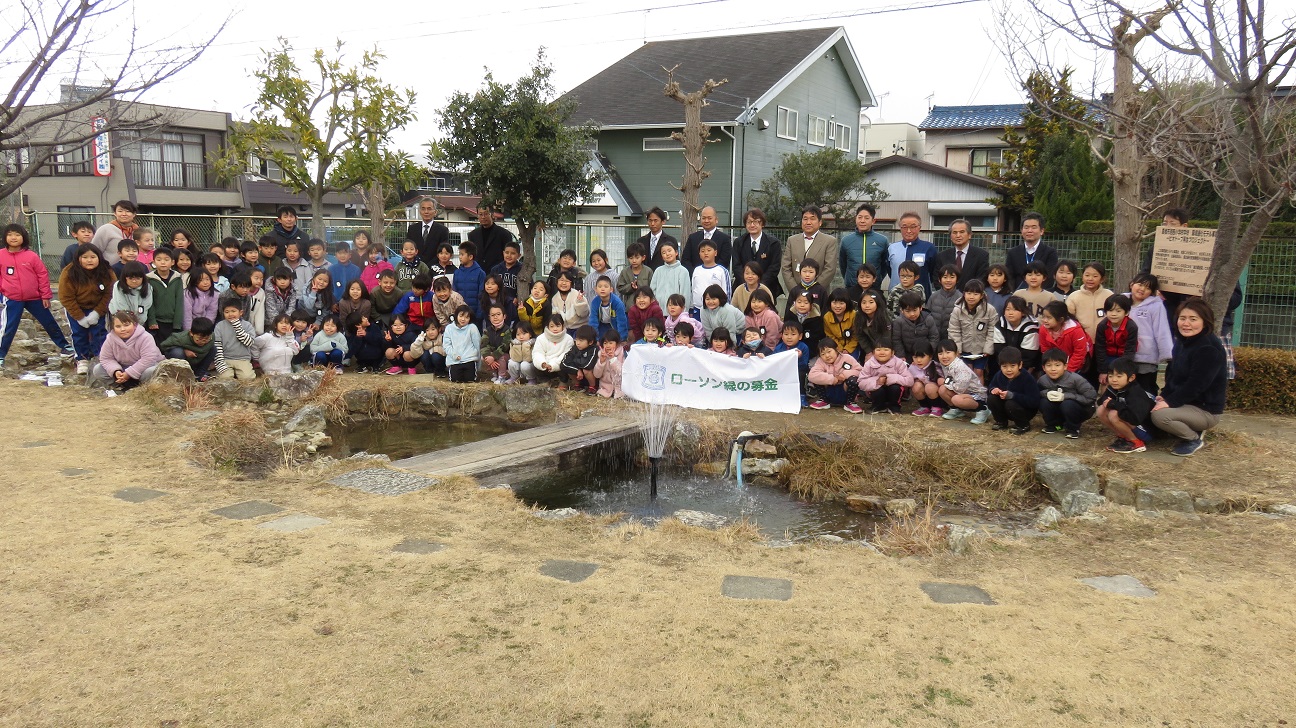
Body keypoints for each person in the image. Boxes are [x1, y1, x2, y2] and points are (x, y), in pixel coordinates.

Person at [1151, 298, 1228, 456]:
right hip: (1185, 404)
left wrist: (1170, 402)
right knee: (1149, 405)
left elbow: (1196, 385)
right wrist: (1164, 396)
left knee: (1159, 416)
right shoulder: (1182, 342)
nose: (1186, 323)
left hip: (1205, 410)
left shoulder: (1208, 348)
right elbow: (1172, 373)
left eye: (1193, 319)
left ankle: (1193, 438)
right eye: (1182, 318)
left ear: (1205, 322)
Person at [58, 243, 115, 373]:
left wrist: (97, 312)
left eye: (93, 257)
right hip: (76, 307)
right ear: (78, 258)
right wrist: (80, 317)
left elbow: (110, 293)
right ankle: (82, 359)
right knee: (78, 333)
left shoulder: (106, 271)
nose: (89, 260)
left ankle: (101, 357)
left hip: (98, 307)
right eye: (85, 257)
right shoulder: (69, 272)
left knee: (100, 333)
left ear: (99, 258)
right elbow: (65, 297)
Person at [89, 310, 164, 389]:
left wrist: (129, 373)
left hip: (145, 369)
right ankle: (121, 387)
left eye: (126, 325)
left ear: (134, 325)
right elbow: (106, 358)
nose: (122, 329)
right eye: (118, 326)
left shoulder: (146, 337)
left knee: (152, 371)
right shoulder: (110, 339)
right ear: (113, 328)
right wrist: (116, 371)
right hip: (123, 370)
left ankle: (143, 388)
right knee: (98, 370)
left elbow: (149, 359)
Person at [1096, 356, 1156, 453]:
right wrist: (1109, 396)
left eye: (1119, 376)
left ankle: (1136, 443)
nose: (1114, 380)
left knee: (1114, 414)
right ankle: (1123, 437)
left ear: (1131, 377)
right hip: (1132, 423)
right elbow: (1102, 402)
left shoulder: (1135, 392)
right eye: (1111, 376)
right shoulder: (1114, 388)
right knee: (1101, 409)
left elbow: (1134, 418)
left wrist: (1115, 404)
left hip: (1146, 430)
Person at [1128, 273, 1175, 395]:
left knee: (1146, 387)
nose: (1142, 289)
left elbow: (1162, 330)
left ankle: (1148, 411)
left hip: (1146, 356)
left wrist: (1167, 354)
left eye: (1148, 288)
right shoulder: (1122, 301)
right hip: (1125, 354)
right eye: (1140, 284)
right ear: (1131, 284)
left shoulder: (1156, 306)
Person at [1037, 348, 1097, 437]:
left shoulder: (1076, 379)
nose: (1053, 369)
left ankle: (1073, 429)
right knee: (1043, 402)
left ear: (1065, 366)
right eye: (1049, 365)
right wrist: (1047, 393)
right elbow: (1036, 393)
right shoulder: (1042, 380)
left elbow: (1091, 397)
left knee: (1068, 404)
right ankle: (1055, 426)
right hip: (1058, 408)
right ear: (1043, 368)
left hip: (1080, 409)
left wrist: (1065, 396)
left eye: (1057, 365)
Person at [780, 206, 839, 293]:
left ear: (820, 222)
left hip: (819, 294)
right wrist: (795, 290)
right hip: (796, 295)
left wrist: (813, 290)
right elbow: (785, 267)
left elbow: (829, 269)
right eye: (805, 219)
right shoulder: (792, 240)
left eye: (812, 219)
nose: (808, 222)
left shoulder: (829, 241)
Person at [948, 279, 997, 378]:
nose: (971, 297)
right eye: (969, 293)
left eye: (975, 294)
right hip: (964, 350)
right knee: (967, 372)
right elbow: (954, 331)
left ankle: (980, 393)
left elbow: (992, 330)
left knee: (979, 372)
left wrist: (987, 349)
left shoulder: (989, 309)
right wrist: (957, 349)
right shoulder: (957, 310)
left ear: (981, 295)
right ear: (964, 294)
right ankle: (969, 394)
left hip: (981, 351)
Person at [985, 346, 1039, 434]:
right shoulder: (999, 375)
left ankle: (1023, 425)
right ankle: (1001, 422)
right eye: (1004, 366)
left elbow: (1034, 401)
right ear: (1000, 366)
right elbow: (991, 386)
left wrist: (1013, 396)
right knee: (992, 398)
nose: (1008, 370)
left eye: (1013, 366)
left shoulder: (1027, 378)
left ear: (1020, 365)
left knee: (1010, 403)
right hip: (1006, 408)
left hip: (1024, 410)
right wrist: (993, 390)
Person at [936, 338, 990, 424]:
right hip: (962, 392)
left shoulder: (960, 366)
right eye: (940, 353)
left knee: (956, 399)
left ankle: (982, 409)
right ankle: (956, 410)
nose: (944, 356)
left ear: (956, 353)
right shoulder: (945, 365)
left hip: (975, 394)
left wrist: (945, 382)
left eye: (948, 352)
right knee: (942, 390)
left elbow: (960, 388)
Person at [731, 207, 782, 296]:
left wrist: (759, 285)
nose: (752, 225)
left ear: (762, 224)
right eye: (749, 222)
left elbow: (774, 267)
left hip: (767, 288)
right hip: (742, 288)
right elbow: (736, 266)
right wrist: (747, 284)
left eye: (756, 222)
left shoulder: (773, 243)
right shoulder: (739, 242)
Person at [839, 203, 889, 292]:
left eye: (866, 218)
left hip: (874, 288)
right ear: (856, 219)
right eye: (859, 217)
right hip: (851, 287)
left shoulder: (882, 240)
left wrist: (877, 279)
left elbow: (884, 266)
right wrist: (850, 279)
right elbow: (843, 265)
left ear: (873, 221)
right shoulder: (846, 240)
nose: (862, 221)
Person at [884, 211, 939, 292]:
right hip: (896, 297)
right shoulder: (892, 248)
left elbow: (933, 273)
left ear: (919, 228)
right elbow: (890, 270)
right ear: (900, 228)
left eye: (913, 227)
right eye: (904, 227)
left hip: (920, 297)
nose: (909, 231)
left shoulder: (928, 248)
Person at [858, 337, 914, 414]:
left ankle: (894, 407)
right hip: (876, 391)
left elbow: (910, 380)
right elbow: (861, 382)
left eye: (886, 350)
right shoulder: (869, 364)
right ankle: (878, 406)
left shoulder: (898, 363)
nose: (882, 352)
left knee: (895, 387)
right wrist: (877, 381)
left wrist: (891, 378)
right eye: (878, 350)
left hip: (894, 390)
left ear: (892, 352)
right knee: (877, 390)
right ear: (873, 352)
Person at [1005, 212, 1059, 290]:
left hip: (1041, 296)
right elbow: (1009, 277)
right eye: (1026, 227)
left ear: (1042, 231)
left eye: (1034, 227)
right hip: (1017, 296)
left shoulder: (1050, 253)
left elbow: (1049, 278)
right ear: (1021, 230)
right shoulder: (1013, 253)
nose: (1029, 230)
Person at [807, 339, 862, 412]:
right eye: (823, 354)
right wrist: (832, 379)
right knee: (817, 378)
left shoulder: (847, 358)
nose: (827, 356)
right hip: (829, 391)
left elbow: (861, 371)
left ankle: (850, 403)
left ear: (837, 349)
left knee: (853, 380)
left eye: (829, 351)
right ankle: (824, 401)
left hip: (844, 391)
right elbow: (811, 375)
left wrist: (845, 375)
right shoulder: (820, 361)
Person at [1094, 294, 1138, 385]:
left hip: (1124, 357)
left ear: (1126, 312)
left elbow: (1130, 350)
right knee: (1106, 383)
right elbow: (1100, 349)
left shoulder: (1131, 327)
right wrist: (1103, 371)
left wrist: (1123, 370)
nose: (1114, 314)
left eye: (1118, 311)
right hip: (1108, 356)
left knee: (1122, 381)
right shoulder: (1102, 326)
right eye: (1110, 310)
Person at [935, 218, 990, 290]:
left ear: (969, 235)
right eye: (954, 232)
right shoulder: (942, 256)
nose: (958, 235)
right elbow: (936, 279)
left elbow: (982, 278)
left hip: (971, 297)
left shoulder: (981, 255)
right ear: (950, 236)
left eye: (962, 232)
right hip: (947, 298)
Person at [1037, 301, 1092, 374]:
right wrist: (1052, 367)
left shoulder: (1075, 330)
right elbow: (1045, 349)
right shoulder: (1043, 329)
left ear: (1061, 319)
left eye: (1049, 318)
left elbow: (1079, 353)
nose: (1044, 320)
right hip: (1055, 365)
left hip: (1075, 366)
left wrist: (1067, 370)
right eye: (1043, 316)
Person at [145, 247, 184, 346]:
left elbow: (179, 301)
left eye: (166, 260)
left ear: (172, 262)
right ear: (153, 262)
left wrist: (177, 323)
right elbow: (149, 302)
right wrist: (152, 321)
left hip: (172, 322)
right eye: (159, 259)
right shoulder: (149, 279)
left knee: (174, 349)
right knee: (157, 348)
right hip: (157, 323)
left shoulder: (177, 278)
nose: (163, 262)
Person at [993, 295, 1041, 376]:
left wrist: (1016, 369)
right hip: (1003, 364)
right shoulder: (999, 325)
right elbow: (999, 350)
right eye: (1007, 309)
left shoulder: (1031, 328)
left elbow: (1029, 355)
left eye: (1015, 310)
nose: (1010, 313)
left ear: (1023, 312)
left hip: (1025, 365)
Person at [1066, 262, 1114, 341]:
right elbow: (1069, 319)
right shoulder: (1074, 296)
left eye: (1095, 276)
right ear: (1082, 277)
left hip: (1105, 339)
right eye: (1087, 275)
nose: (1090, 279)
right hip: (1082, 339)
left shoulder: (1109, 295)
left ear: (1102, 279)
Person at [161, 316, 217, 381]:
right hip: (183, 360)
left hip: (197, 361)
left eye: (206, 339)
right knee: (178, 352)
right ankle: (182, 376)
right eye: (200, 339)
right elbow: (164, 346)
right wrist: (184, 351)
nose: (203, 342)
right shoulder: (181, 338)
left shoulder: (212, 337)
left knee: (213, 349)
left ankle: (199, 374)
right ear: (191, 333)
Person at [212, 300, 256, 380]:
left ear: (241, 312)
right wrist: (220, 362)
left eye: (233, 311)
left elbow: (249, 342)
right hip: (226, 358)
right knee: (225, 378)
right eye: (227, 312)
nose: (230, 314)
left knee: (248, 378)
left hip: (243, 358)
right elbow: (217, 345)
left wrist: (238, 328)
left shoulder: (247, 325)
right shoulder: (220, 326)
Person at [890, 291, 939, 361]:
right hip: (908, 355)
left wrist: (928, 353)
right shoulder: (898, 322)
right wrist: (901, 355)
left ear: (920, 308)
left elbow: (934, 337)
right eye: (908, 311)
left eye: (915, 310)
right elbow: (896, 340)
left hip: (926, 355)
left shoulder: (928, 319)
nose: (912, 314)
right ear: (901, 310)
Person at [681, 206, 732, 272]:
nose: (706, 221)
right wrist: (695, 273)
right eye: (704, 218)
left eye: (709, 218)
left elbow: (724, 261)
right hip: (695, 277)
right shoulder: (692, 237)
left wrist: (709, 274)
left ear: (716, 220)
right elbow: (685, 260)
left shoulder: (725, 239)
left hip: (715, 278)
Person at [773, 320, 810, 407]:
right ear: (781, 336)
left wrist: (799, 357)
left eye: (793, 334)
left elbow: (804, 365)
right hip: (783, 371)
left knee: (801, 375)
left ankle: (802, 395)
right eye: (786, 334)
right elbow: (773, 362)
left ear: (800, 336)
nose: (789, 337)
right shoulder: (779, 348)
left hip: (798, 370)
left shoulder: (803, 347)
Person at [468, 205, 514, 274]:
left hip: (498, 273)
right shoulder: (473, 235)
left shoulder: (504, 234)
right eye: (480, 214)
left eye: (486, 214)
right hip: (478, 273)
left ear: (492, 215)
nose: (483, 217)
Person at [90, 200, 139, 265]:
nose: (124, 214)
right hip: (109, 270)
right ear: (115, 213)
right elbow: (94, 251)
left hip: (134, 271)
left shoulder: (138, 231)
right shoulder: (105, 229)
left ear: (134, 214)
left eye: (128, 211)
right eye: (120, 211)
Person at [443, 305, 481, 382]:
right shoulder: (449, 328)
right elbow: (446, 345)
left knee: (469, 380)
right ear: (456, 315)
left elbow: (478, 345)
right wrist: (454, 355)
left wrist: (478, 362)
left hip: (469, 359)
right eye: (461, 316)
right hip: (455, 360)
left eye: (467, 317)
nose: (463, 319)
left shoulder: (472, 328)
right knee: (456, 380)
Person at [532, 314, 574, 383]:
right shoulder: (541, 338)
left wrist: (553, 365)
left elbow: (566, 355)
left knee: (565, 364)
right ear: (548, 327)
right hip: (545, 366)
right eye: (552, 326)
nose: (555, 329)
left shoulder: (568, 339)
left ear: (563, 326)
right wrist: (543, 363)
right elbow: (537, 353)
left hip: (559, 366)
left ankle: (563, 382)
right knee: (535, 365)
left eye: (558, 326)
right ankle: (544, 382)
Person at [407, 197, 450, 263]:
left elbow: (443, 251)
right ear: (420, 211)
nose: (426, 212)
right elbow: (408, 248)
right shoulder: (412, 229)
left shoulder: (442, 230)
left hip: (435, 267)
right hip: (415, 267)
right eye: (423, 209)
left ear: (435, 212)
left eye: (429, 209)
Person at [690, 239, 732, 308]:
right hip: (698, 309)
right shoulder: (696, 270)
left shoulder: (722, 270)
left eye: (709, 250)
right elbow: (693, 289)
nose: (706, 253)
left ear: (715, 253)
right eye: (702, 251)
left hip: (717, 309)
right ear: (699, 254)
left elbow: (727, 293)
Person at [650, 241, 691, 310]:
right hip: (659, 311)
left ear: (676, 252)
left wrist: (684, 311)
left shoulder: (683, 271)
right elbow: (652, 290)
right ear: (662, 257)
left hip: (676, 311)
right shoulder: (658, 271)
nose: (667, 254)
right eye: (664, 252)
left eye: (669, 251)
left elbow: (685, 293)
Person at [925, 265, 962, 340]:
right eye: (945, 277)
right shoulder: (934, 296)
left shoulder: (960, 298)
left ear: (957, 279)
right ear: (939, 280)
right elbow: (926, 315)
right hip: (933, 337)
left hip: (952, 338)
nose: (948, 280)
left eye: (952, 277)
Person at [907, 342, 944, 417]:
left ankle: (937, 407)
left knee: (929, 387)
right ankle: (924, 407)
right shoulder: (912, 368)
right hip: (924, 395)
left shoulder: (935, 367)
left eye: (922, 357)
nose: (918, 360)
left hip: (936, 396)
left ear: (930, 356)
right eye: (915, 357)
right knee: (916, 386)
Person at [479, 303, 513, 384]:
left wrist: (493, 356)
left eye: (498, 314)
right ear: (489, 317)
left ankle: (502, 376)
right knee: (483, 358)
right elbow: (483, 345)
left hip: (505, 355)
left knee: (501, 357)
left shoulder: (508, 330)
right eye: (493, 315)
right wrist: (488, 356)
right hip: (492, 354)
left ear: (504, 316)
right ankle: (495, 374)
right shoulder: (487, 330)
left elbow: (505, 346)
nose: (495, 317)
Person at [451, 241, 486, 318]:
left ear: (470, 257)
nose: (460, 257)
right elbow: (454, 293)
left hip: (475, 313)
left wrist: (479, 314)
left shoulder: (480, 273)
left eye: (462, 254)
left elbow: (482, 295)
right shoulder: (457, 273)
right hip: (460, 314)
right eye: (459, 254)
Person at [561, 324, 599, 393]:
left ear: (590, 342)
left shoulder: (594, 349)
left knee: (586, 370)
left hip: (592, 377)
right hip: (579, 375)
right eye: (576, 339)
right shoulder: (575, 347)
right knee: (569, 368)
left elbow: (588, 365)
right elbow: (564, 362)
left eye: (581, 340)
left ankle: (593, 387)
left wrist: (575, 364)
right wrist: (577, 370)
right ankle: (578, 385)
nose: (577, 343)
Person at [783, 290, 823, 355]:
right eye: (799, 302)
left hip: (810, 348)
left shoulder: (816, 318)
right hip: (791, 347)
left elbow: (817, 336)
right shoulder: (790, 314)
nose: (802, 305)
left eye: (806, 303)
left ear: (811, 305)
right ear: (794, 303)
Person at [821, 288, 858, 358]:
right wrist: (839, 348)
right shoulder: (827, 317)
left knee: (850, 362)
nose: (837, 306)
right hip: (835, 346)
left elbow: (856, 336)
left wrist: (847, 349)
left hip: (852, 345)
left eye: (841, 303)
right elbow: (830, 336)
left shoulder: (853, 315)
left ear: (847, 303)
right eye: (834, 303)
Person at [550, 271, 590, 336]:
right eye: (561, 280)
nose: (563, 283)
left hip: (580, 328)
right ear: (556, 283)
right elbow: (555, 317)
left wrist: (580, 302)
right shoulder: (554, 299)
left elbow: (584, 314)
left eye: (567, 281)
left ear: (571, 284)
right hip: (564, 330)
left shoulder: (577, 295)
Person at [591, 276, 628, 341]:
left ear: (611, 289)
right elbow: (593, 321)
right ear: (595, 289)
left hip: (614, 326)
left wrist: (622, 339)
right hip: (601, 326)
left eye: (606, 287)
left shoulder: (617, 303)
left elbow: (621, 322)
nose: (602, 289)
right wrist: (595, 339)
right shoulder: (594, 302)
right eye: (599, 287)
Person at [855, 290, 892, 357]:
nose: (867, 305)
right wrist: (869, 352)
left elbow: (887, 338)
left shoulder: (885, 317)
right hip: (871, 349)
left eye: (871, 302)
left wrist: (878, 353)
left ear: (877, 303)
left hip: (887, 349)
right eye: (864, 303)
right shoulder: (859, 316)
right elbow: (860, 336)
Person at [593, 330, 625, 398]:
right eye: (605, 343)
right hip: (605, 388)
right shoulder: (601, 355)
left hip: (620, 388)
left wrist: (613, 359)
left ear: (618, 343)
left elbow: (622, 373)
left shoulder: (622, 354)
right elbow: (597, 375)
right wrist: (601, 362)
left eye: (611, 343)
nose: (607, 346)